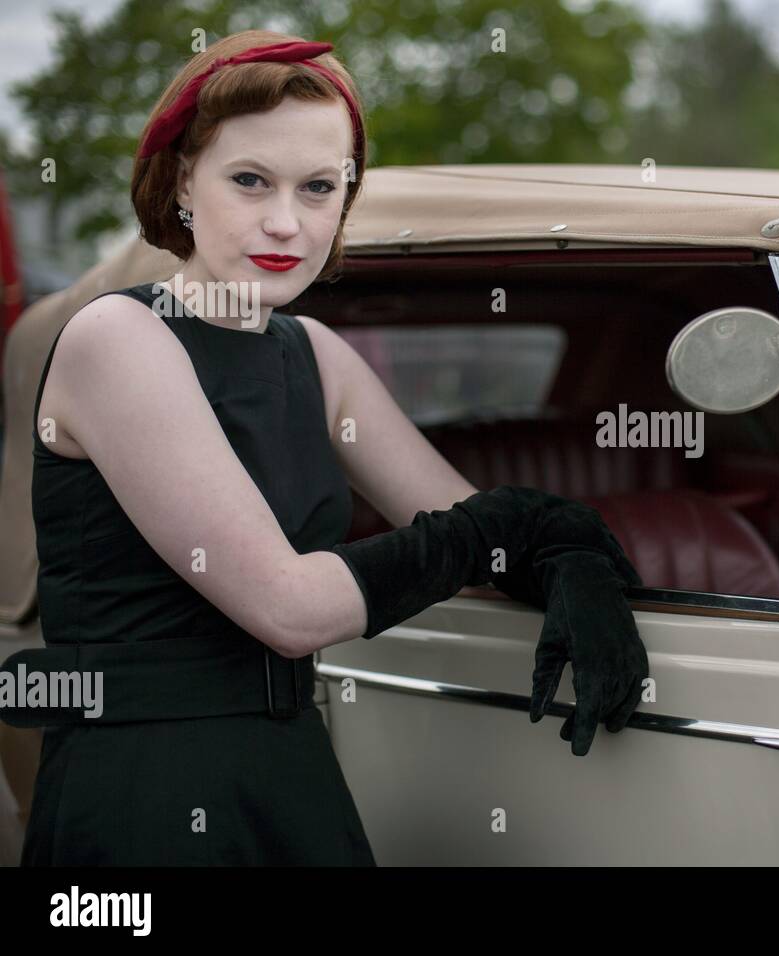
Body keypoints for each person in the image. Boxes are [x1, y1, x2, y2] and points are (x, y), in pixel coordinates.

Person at [1, 29, 648, 866]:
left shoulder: (313, 352)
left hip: (293, 774)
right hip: (143, 790)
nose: (285, 221)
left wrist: (567, 556)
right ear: (182, 183)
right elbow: (289, 606)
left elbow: (458, 518)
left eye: (318, 187)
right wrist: (512, 521)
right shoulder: (117, 336)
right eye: (248, 180)